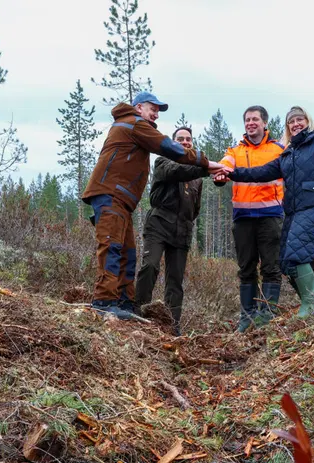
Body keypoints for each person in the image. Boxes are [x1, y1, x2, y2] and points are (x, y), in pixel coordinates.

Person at [82, 92, 227, 319]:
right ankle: (104, 301)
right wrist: (207, 164)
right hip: (111, 195)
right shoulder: (134, 123)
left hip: (122, 201)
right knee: (112, 248)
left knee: (127, 253)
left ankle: (124, 304)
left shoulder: (134, 125)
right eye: (153, 108)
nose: (156, 113)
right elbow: (167, 147)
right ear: (139, 107)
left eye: (158, 110)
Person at [217, 106, 314, 319]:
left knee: (295, 253)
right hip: (295, 210)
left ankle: (313, 301)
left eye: (299, 119)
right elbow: (261, 172)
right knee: (286, 260)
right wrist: (232, 174)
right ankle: (310, 302)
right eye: (291, 121)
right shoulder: (289, 152)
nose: (295, 124)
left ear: (308, 120)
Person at [134, 125, 209, 336]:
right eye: (180, 139)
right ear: (173, 142)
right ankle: (139, 311)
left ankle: (172, 324)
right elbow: (177, 171)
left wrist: (205, 170)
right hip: (159, 224)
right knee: (149, 266)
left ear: (192, 144)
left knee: (175, 280)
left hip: (182, 230)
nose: (185, 142)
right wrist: (207, 167)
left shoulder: (197, 178)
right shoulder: (162, 161)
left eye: (189, 140)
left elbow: (196, 208)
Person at [219, 106, 286, 332]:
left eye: (255, 119)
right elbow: (224, 166)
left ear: (265, 123)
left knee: (271, 267)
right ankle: (247, 316)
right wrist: (220, 175)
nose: (251, 123)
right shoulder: (235, 151)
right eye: (247, 120)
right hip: (243, 218)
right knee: (246, 268)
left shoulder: (279, 149)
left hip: (271, 217)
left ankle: (267, 316)